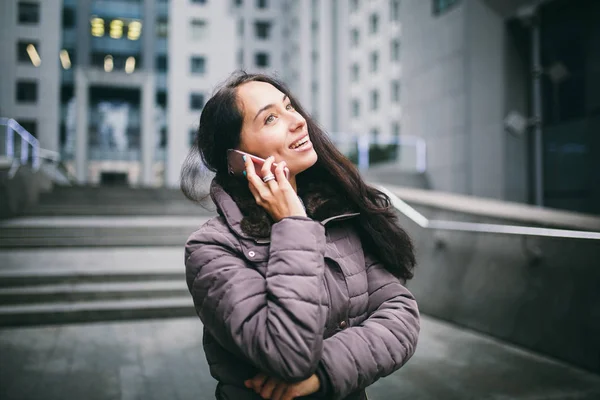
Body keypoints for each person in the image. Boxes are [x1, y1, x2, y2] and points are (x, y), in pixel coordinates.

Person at [181, 71, 420, 400]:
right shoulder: (212, 249)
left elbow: (401, 315)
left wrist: (325, 371)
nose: (297, 121)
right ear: (237, 159)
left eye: (289, 106)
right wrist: (292, 221)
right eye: (271, 118)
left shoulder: (339, 216)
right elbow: (288, 356)